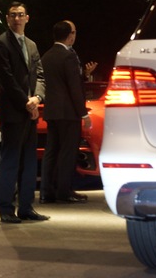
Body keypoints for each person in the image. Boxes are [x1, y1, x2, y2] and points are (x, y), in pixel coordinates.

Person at [0, 1, 48, 224]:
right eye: (13, 15)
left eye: (21, 15)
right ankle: (6, 209)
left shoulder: (32, 45)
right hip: (13, 112)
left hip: (30, 111)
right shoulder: (0, 43)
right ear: (7, 18)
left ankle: (26, 208)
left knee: (29, 162)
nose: (17, 18)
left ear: (27, 18)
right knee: (10, 162)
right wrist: (26, 102)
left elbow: (41, 75)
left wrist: (37, 98)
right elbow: (6, 79)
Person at [40, 21, 95, 204]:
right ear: (70, 35)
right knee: (67, 153)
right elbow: (73, 88)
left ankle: (46, 192)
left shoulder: (46, 56)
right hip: (68, 112)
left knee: (51, 151)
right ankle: (64, 191)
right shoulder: (69, 56)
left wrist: (84, 75)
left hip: (52, 111)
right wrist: (83, 114)